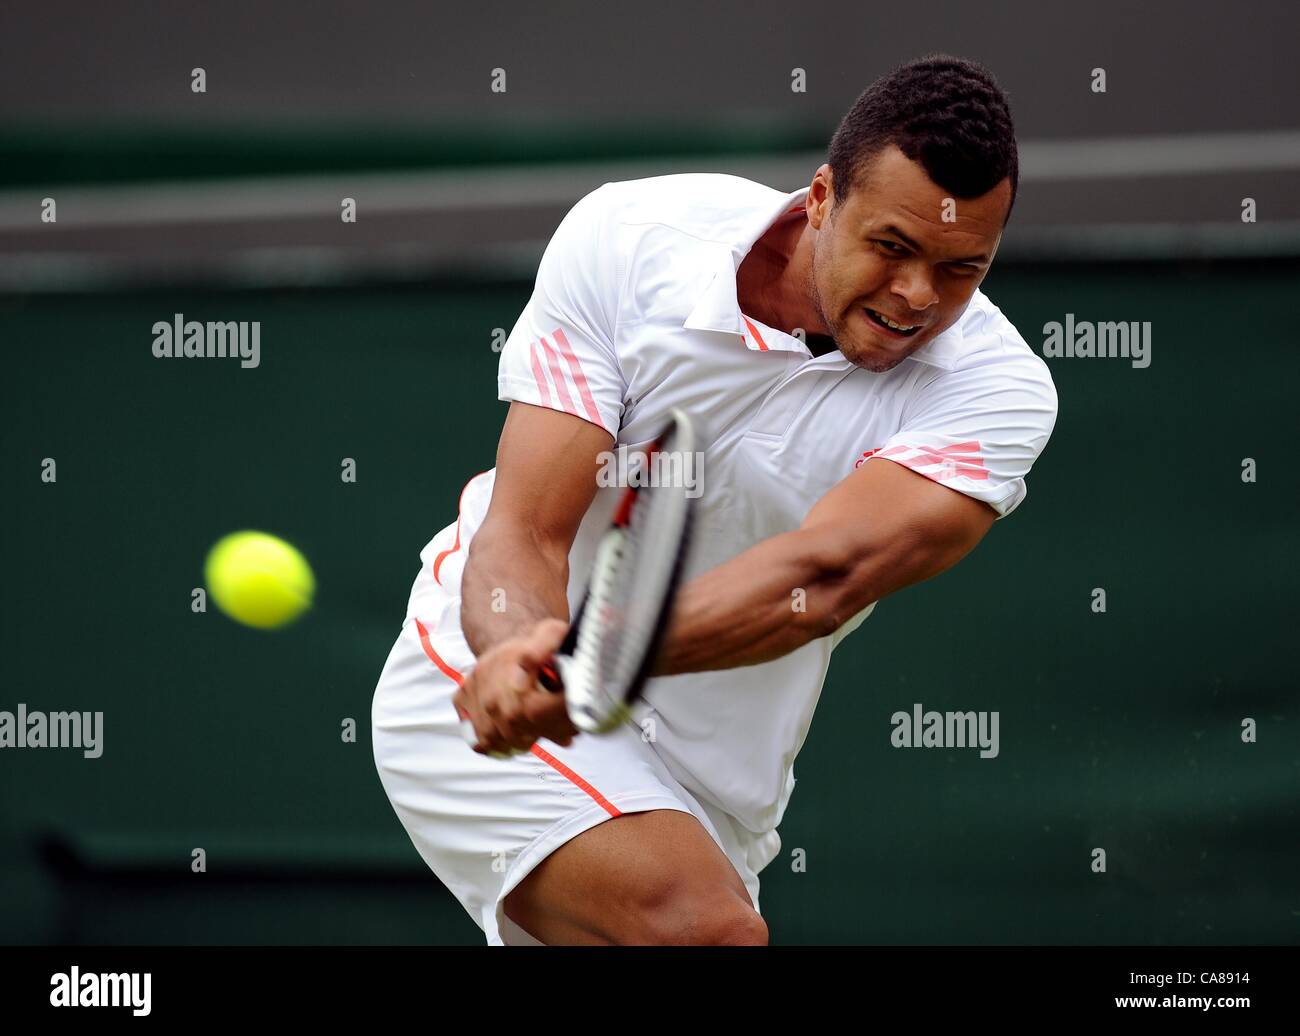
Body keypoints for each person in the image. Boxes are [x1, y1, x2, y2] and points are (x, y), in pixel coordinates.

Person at [372, 53, 1057, 945]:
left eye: (962, 268)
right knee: (712, 936)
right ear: (820, 199)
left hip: (715, 787)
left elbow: (820, 578)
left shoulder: (998, 393)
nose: (918, 296)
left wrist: (591, 665)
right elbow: (529, 529)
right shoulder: (630, 238)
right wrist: (517, 655)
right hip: (473, 685)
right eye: (892, 247)